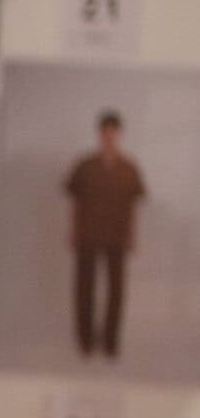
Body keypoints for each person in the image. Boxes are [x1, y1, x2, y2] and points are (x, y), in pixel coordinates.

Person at [62, 106, 147, 360]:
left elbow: (133, 206)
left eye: (113, 132)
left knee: (116, 291)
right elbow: (74, 201)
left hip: (117, 236)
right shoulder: (85, 166)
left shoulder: (128, 168)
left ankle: (110, 342)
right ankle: (85, 341)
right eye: (105, 132)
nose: (109, 136)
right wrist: (73, 231)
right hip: (88, 234)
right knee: (84, 288)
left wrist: (132, 235)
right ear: (100, 134)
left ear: (118, 134)